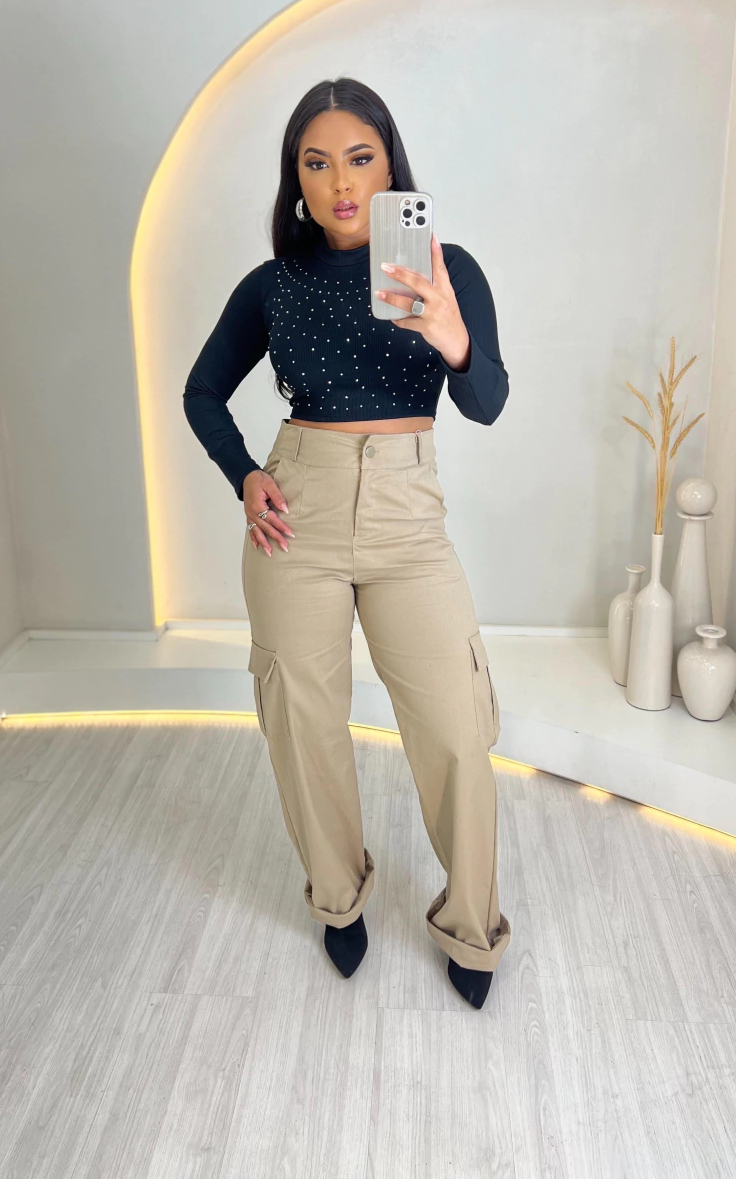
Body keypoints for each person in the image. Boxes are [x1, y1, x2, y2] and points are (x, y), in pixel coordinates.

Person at [183, 77, 510, 1009]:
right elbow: (202, 391)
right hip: (301, 511)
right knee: (303, 724)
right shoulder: (274, 285)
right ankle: (338, 898)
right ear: (295, 177)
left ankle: (473, 926)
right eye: (316, 162)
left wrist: (450, 337)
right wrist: (245, 474)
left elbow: (487, 402)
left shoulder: (447, 268)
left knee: (455, 728)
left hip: (408, 518)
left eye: (360, 159)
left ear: (389, 165)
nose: (340, 182)